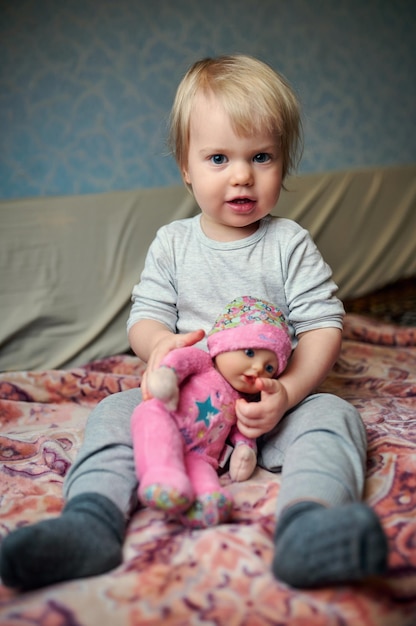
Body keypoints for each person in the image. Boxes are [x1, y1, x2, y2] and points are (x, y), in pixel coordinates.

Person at [0, 54, 388, 591]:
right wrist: (160, 343)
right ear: (185, 167)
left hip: (265, 410)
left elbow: (324, 323)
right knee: (116, 413)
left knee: (337, 416)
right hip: (190, 406)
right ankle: (89, 521)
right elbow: (146, 318)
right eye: (218, 158)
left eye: (261, 156)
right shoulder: (174, 244)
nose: (241, 175)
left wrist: (292, 391)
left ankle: (309, 526)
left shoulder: (289, 243)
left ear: (283, 163)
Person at [132, 296, 292, 528]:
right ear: (223, 345)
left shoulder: (245, 401)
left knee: (203, 469)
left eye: (269, 367)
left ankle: (207, 502)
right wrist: (166, 376)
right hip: (166, 416)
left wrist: (244, 449)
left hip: (202, 452)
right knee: (158, 435)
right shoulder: (203, 362)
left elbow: (244, 430)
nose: (258, 368)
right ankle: (162, 479)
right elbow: (178, 361)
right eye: (249, 352)